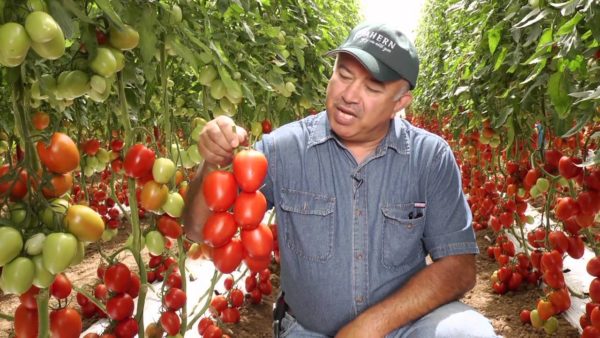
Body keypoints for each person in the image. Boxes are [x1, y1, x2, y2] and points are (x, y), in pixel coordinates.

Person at [183, 22, 499, 338]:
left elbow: (459, 266)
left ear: (400, 102)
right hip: (308, 330)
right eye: (343, 75)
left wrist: (369, 327)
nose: (348, 95)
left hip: (403, 329)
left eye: (372, 88)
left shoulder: (428, 157)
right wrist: (212, 163)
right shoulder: (282, 149)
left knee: (468, 331)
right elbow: (199, 229)